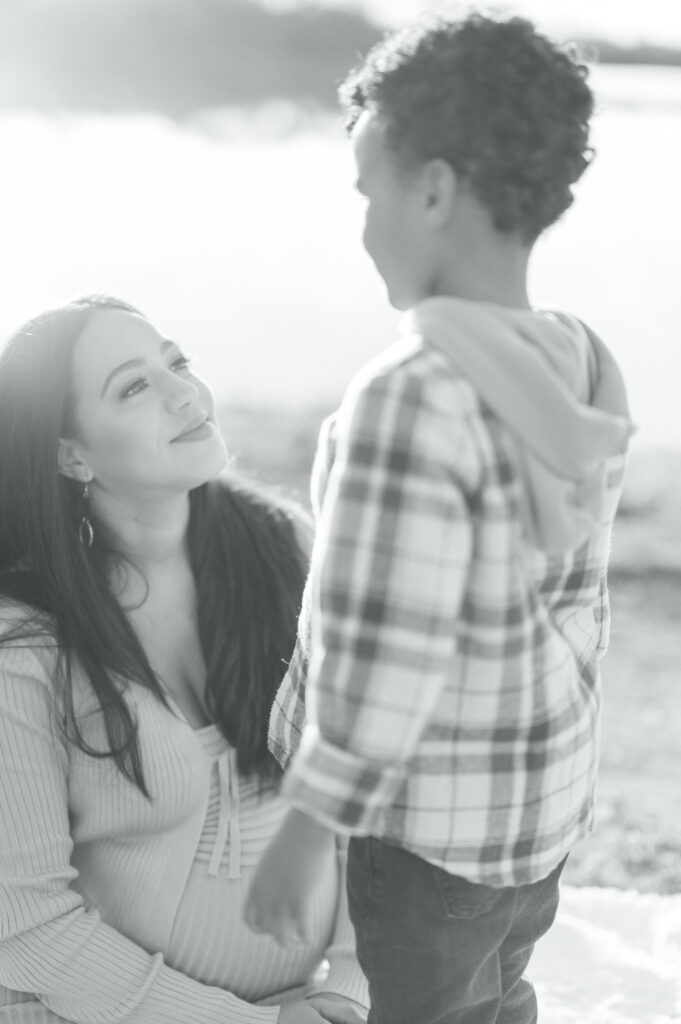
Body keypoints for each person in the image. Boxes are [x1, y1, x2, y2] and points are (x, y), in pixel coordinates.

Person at [244, 14, 634, 1024]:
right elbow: (577, 600)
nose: (365, 222)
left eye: (369, 191)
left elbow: (387, 654)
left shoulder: (411, 396)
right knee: (500, 991)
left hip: (426, 834)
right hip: (534, 819)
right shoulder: (580, 359)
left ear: (432, 189)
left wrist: (304, 823)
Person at [0, 295, 369, 1024]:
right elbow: (25, 926)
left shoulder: (287, 552)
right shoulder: (27, 644)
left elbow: (368, 796)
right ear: (68, 454)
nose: (183, 394)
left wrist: (348, 989)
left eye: (177, 362)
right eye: (134, 386)